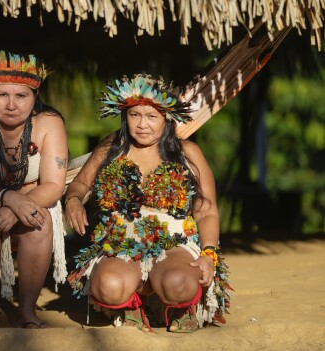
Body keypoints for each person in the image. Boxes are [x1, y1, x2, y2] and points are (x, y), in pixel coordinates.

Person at [64, 74, 231, 332]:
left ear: (166, 118)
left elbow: (206, 208)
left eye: (151, 116)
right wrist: (73, 200)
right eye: (135, 115)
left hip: (175, 244)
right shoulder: (112, 147)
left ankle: (176, 305)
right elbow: (80, 184)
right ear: (125, 116)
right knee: (108, 285)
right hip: (120, 243)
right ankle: (134, 301)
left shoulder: (188, 153)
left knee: (179, 283)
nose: (143, 124)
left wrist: (209, 253)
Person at [0, 51, 69, 330]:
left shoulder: (49, 123)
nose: (10, 105)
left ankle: (28, 310)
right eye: (2, 95)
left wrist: (18, 206)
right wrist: (9, 198)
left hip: (32, 202)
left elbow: (54, 185)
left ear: (35, 95)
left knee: (38, 222)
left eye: (21, 96)